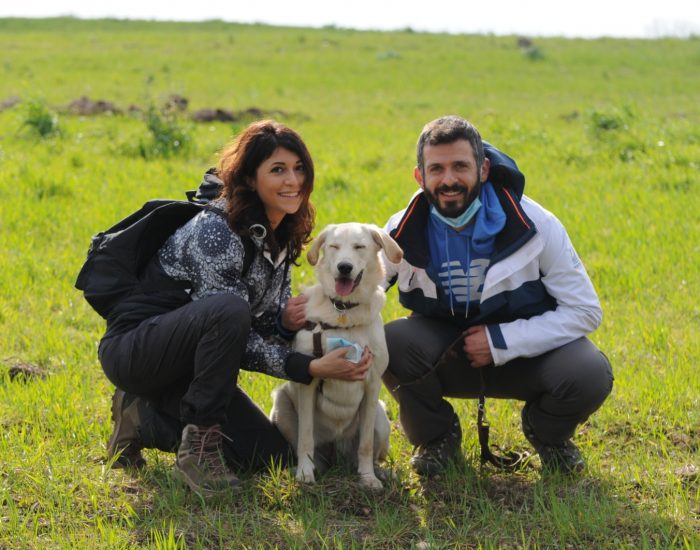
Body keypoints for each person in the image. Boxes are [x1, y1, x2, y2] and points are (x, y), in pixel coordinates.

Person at [99, 120, 372, 496]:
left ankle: (141, 418)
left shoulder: (281, 236)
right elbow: (231, 326)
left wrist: (284, 323)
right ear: (248, 178)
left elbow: (252, 326)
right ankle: (197, 452)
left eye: (299, 168)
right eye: (277, 170)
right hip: (137, 351)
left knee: (270, 457)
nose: (292, 180)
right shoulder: (219, 231)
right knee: (226, 308)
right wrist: (306, 367)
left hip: (191, 368)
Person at [381, 116, 613, 476]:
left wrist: (502, 341)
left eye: (461, 166)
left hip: (529, 356)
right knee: (390, 340)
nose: (449, 180)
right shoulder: (401, 228)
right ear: (419, 176)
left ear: (484, 168)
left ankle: (548, 434)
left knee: (589, 372)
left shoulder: (536, 224)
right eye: (436, 169)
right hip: (449, 355)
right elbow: (361, 288)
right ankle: (437, 437)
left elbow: (585, 310)